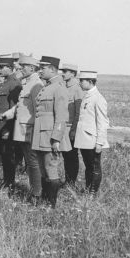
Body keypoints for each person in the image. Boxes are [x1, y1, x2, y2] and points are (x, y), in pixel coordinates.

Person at [1, 55, 43, 204]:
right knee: (31, 163)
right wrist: (7, 115)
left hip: (29, 130)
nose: (20, 69)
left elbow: (39, 111)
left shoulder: (36, 84)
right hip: (24, 130)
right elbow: (21, 106)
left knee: (33, 163)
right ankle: (35, 191)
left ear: (32, 68)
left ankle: (37, 194)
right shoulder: (28, 83)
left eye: (23, 67)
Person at [32, 56, 71, 207]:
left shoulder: (59, 88)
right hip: (41, 135)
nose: (40, 70)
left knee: (51, 169)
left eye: (43, 68)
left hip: (50, 136)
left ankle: (51, 204)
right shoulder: (47, 87)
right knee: (43, 170)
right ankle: (44, 200)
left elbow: (61, 117)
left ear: (52, 69)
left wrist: (56, 138)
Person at [0, 55, 22, 189]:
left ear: (10, 68)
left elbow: (14, 110)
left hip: (5, 127)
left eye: (2, 67)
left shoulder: (14, 84)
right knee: (4, 155)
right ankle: (7, 181)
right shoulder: (6, 82)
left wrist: (8, 129)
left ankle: (9, 182)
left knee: (8, 156)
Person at [74, 71, 110, 194]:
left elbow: (102, 122)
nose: (80, 83)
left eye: (82, 80)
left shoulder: (98, 98)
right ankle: (88, 189)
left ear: (90, 81)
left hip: (92, 140)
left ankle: (92, 193)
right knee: (88, 166)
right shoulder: (88, 95)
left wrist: (100, 142)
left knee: (94, 167)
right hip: (85, 139)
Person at [60, 62, 83, 188]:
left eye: (65, 71)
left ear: (73, 74)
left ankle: (70, 183)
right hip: (63, 127)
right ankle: (67, 180)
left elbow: (78, 112)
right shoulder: (64, 87)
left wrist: (73, 130)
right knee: (66, 155)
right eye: (62, 71)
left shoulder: (77, 89)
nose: (62, 74)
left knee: (72, 156)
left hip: (71, 128)